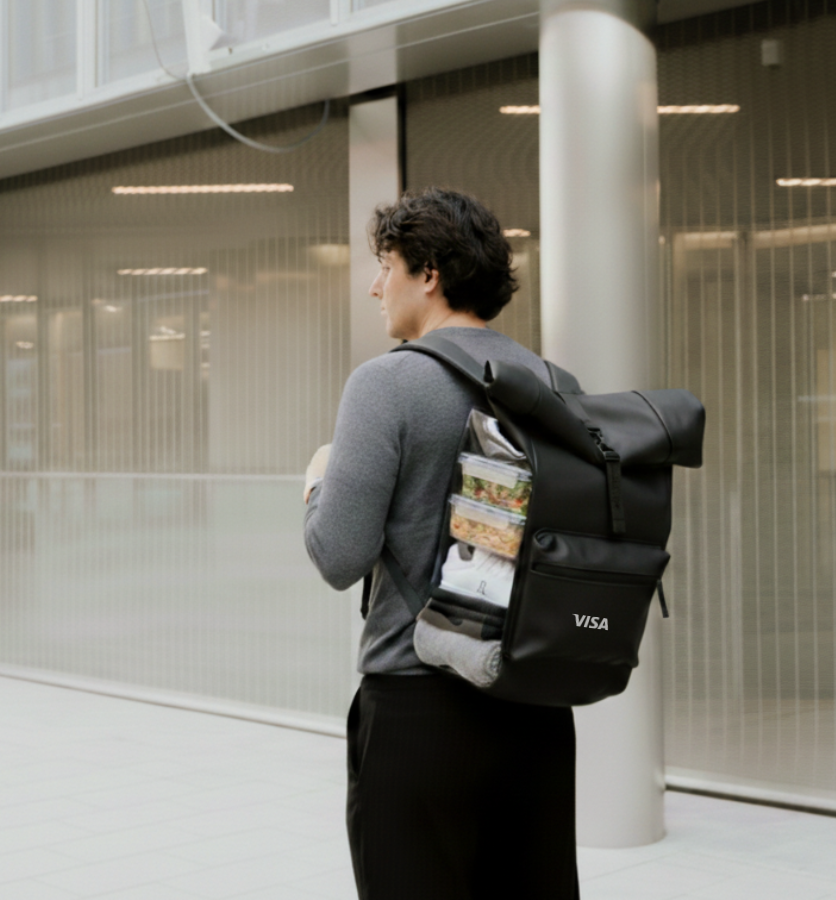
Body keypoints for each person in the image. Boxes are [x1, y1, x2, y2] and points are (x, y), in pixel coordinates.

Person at [303, 187, 580, 899]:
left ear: (429, 273)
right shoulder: (556, 385)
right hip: (536, 707)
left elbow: (338, 557)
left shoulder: (387, 384)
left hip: (418, 711)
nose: (375, 285)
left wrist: (317, 482)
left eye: (385, 265)